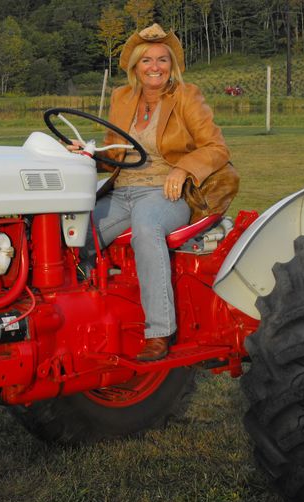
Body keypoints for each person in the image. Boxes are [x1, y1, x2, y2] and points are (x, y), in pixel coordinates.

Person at [76, 24, 230, 361]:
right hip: (122, 191)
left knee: (147, 228)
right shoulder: (121, 97)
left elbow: (216, 148)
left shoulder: (186, 96)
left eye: (162, 59)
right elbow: (115, 152)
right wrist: (86, 152)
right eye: (146, 60)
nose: (155, 66)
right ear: (135, 66)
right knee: (74, 235)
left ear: (172, 64)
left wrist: (184, 167)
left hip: (166, 192)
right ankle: (82, 314)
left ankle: (159, 332)